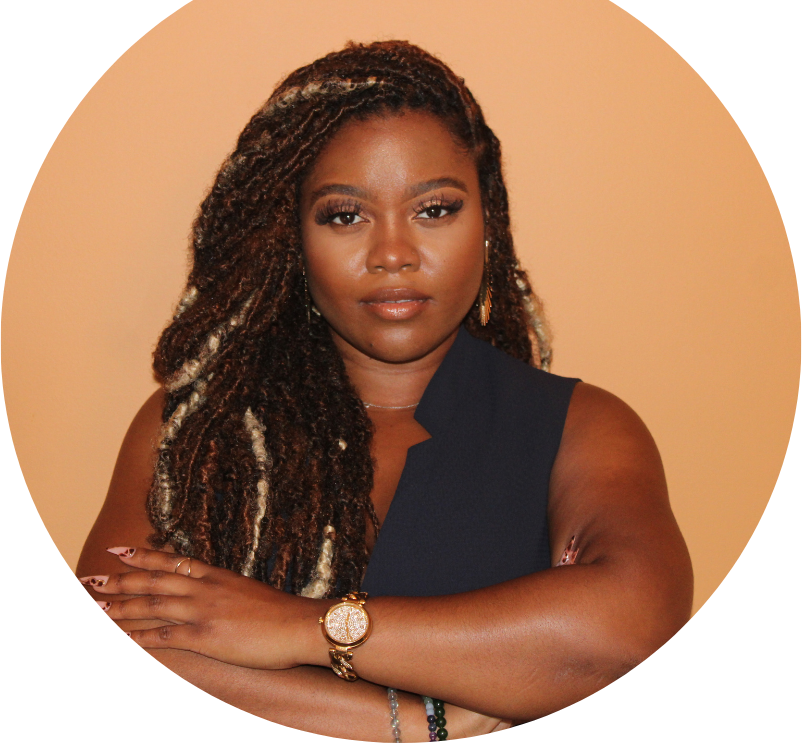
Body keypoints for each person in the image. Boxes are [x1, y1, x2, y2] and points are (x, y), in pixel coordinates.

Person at [76, 40, 693, 740]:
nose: (393, 254)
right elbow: (110, 656)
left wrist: (301, 627)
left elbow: (630, 640)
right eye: (346, 215)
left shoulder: (578, 427)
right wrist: (420, 723)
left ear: (487, 223)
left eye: (435, 209)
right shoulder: (194, 430)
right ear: (291, 239)